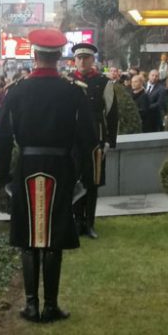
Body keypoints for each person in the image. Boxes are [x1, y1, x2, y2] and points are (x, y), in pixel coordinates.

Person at [0, 29, 94, 323]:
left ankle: (31, 305)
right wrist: (86, 178)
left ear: (34, 56)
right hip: (60, 169)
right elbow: (88, 140)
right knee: (54, 235)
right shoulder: (74, 91)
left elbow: (0, 138)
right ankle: (50, 305)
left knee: (28, 236)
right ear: (60, 57)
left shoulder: (17, 90)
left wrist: (1, 177)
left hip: (26, 168)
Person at [70, 42, 118, 239]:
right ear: (74, 60)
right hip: (72, 141)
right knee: (73, 182)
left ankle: (89, 223)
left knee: (92, 183)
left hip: (95, 142)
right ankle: (76, 221)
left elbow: (112, 113)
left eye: (86, 58)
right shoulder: (67, 81)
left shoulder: (103, 82)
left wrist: (109, 141)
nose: (83, 61)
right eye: (79, 58)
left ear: (92, 60)